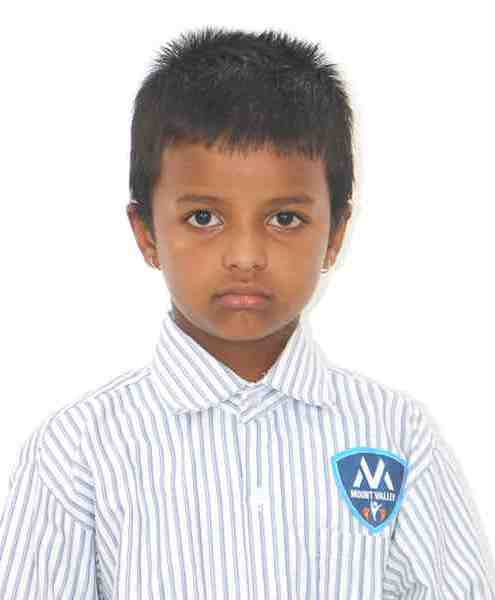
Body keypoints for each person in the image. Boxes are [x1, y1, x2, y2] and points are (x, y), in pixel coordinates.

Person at [0, 25, 493, 600]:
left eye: (284, 219)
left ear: (335, 233)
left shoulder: (397, 435)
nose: (245, 256)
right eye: (204, 218)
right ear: (146, 233)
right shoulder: (76, 453)